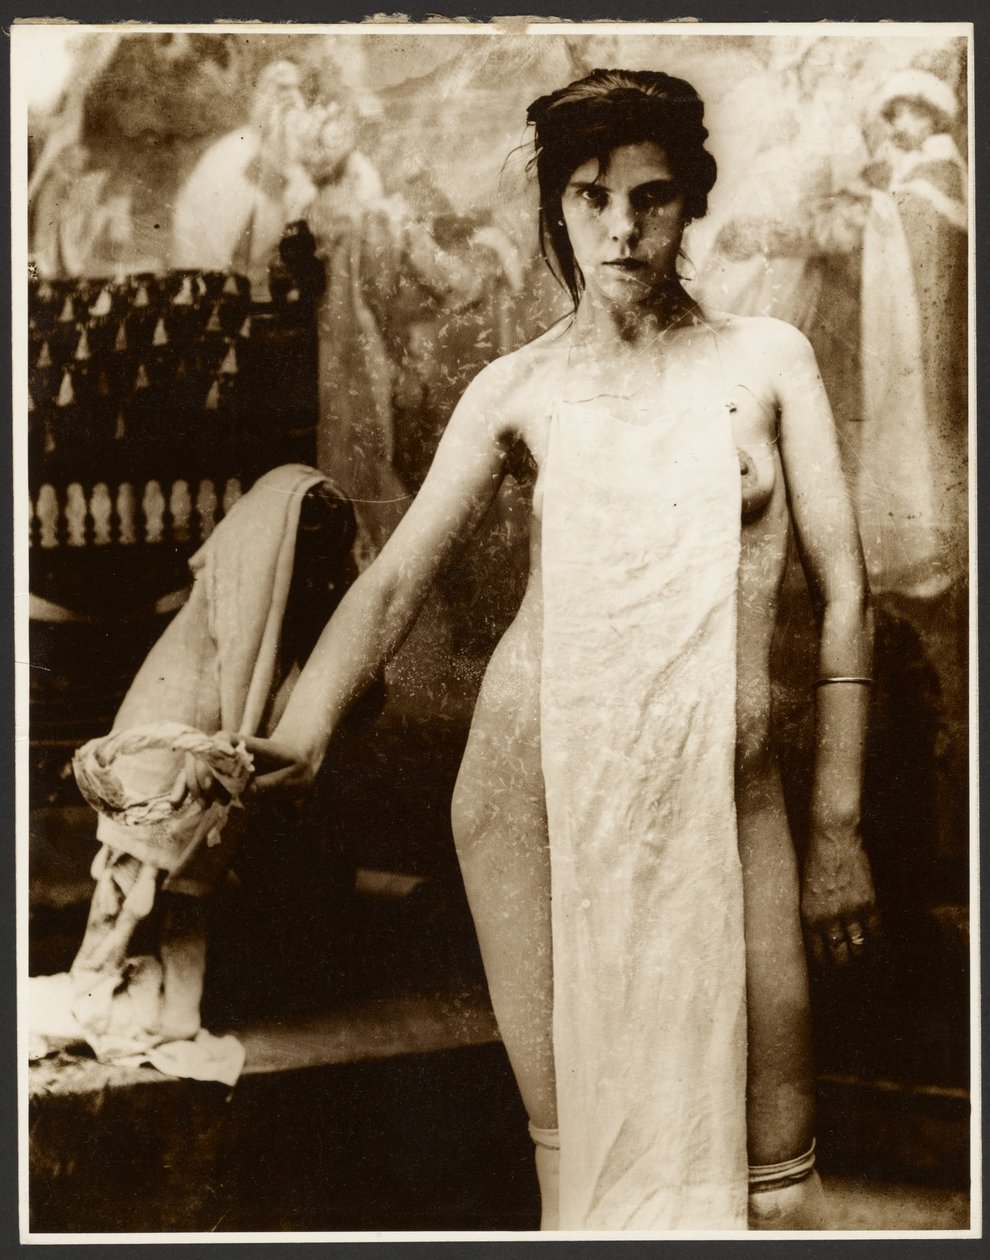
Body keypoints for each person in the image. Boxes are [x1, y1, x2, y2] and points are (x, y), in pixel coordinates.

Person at [182, 69, 878, 1231]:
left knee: (779, 1189)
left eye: (652, 197)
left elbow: (848, 595)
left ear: (692, 202)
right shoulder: (521, 387)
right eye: (592, 196)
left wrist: (840, 826)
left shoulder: (767, 359)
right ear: (557, 204)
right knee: (579, 1170)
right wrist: (298, 740)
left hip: (729, 786)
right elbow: (394, 581)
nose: (622, 228)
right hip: (534, 799)